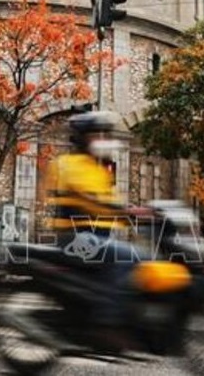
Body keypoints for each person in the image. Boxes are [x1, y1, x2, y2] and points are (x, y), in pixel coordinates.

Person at [44, 110, 139, 343]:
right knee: (127, 257)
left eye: (104, 134)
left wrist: (137, 214)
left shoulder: (98, 169)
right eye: (97, 134)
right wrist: (119, 209)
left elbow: (110, 203)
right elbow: (88, 199)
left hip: (97, 238)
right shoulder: (69, 164)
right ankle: (107, 324)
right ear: (83, 137)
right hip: (77, 237)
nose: (103, 139)